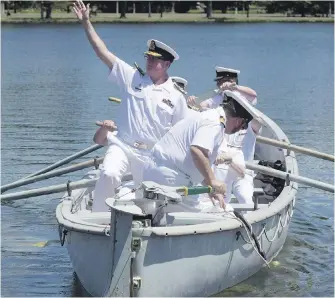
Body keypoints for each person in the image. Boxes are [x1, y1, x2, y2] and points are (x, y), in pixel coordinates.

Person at [72, 0, 189, 212]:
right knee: (108, 174)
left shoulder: (177, 96)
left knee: (150, 203)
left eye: (156, 60)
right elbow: (102, 52)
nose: (150, 62)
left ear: (168, 64)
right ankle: (98, 218)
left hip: (153, 155)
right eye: (148, 57)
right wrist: (86, 23)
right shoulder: (132, 77)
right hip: (123, 145)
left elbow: (181, 134)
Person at [143, 90, 257, 211]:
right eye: (243, 126)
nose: (241, 129)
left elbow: (197, 161)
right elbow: (197, 151)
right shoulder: (214, 123)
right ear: (240, 121)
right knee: (222, 212)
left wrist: (211, 186)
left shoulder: (212, 117)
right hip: (171, 178)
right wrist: (213, 181)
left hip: (166, 173)